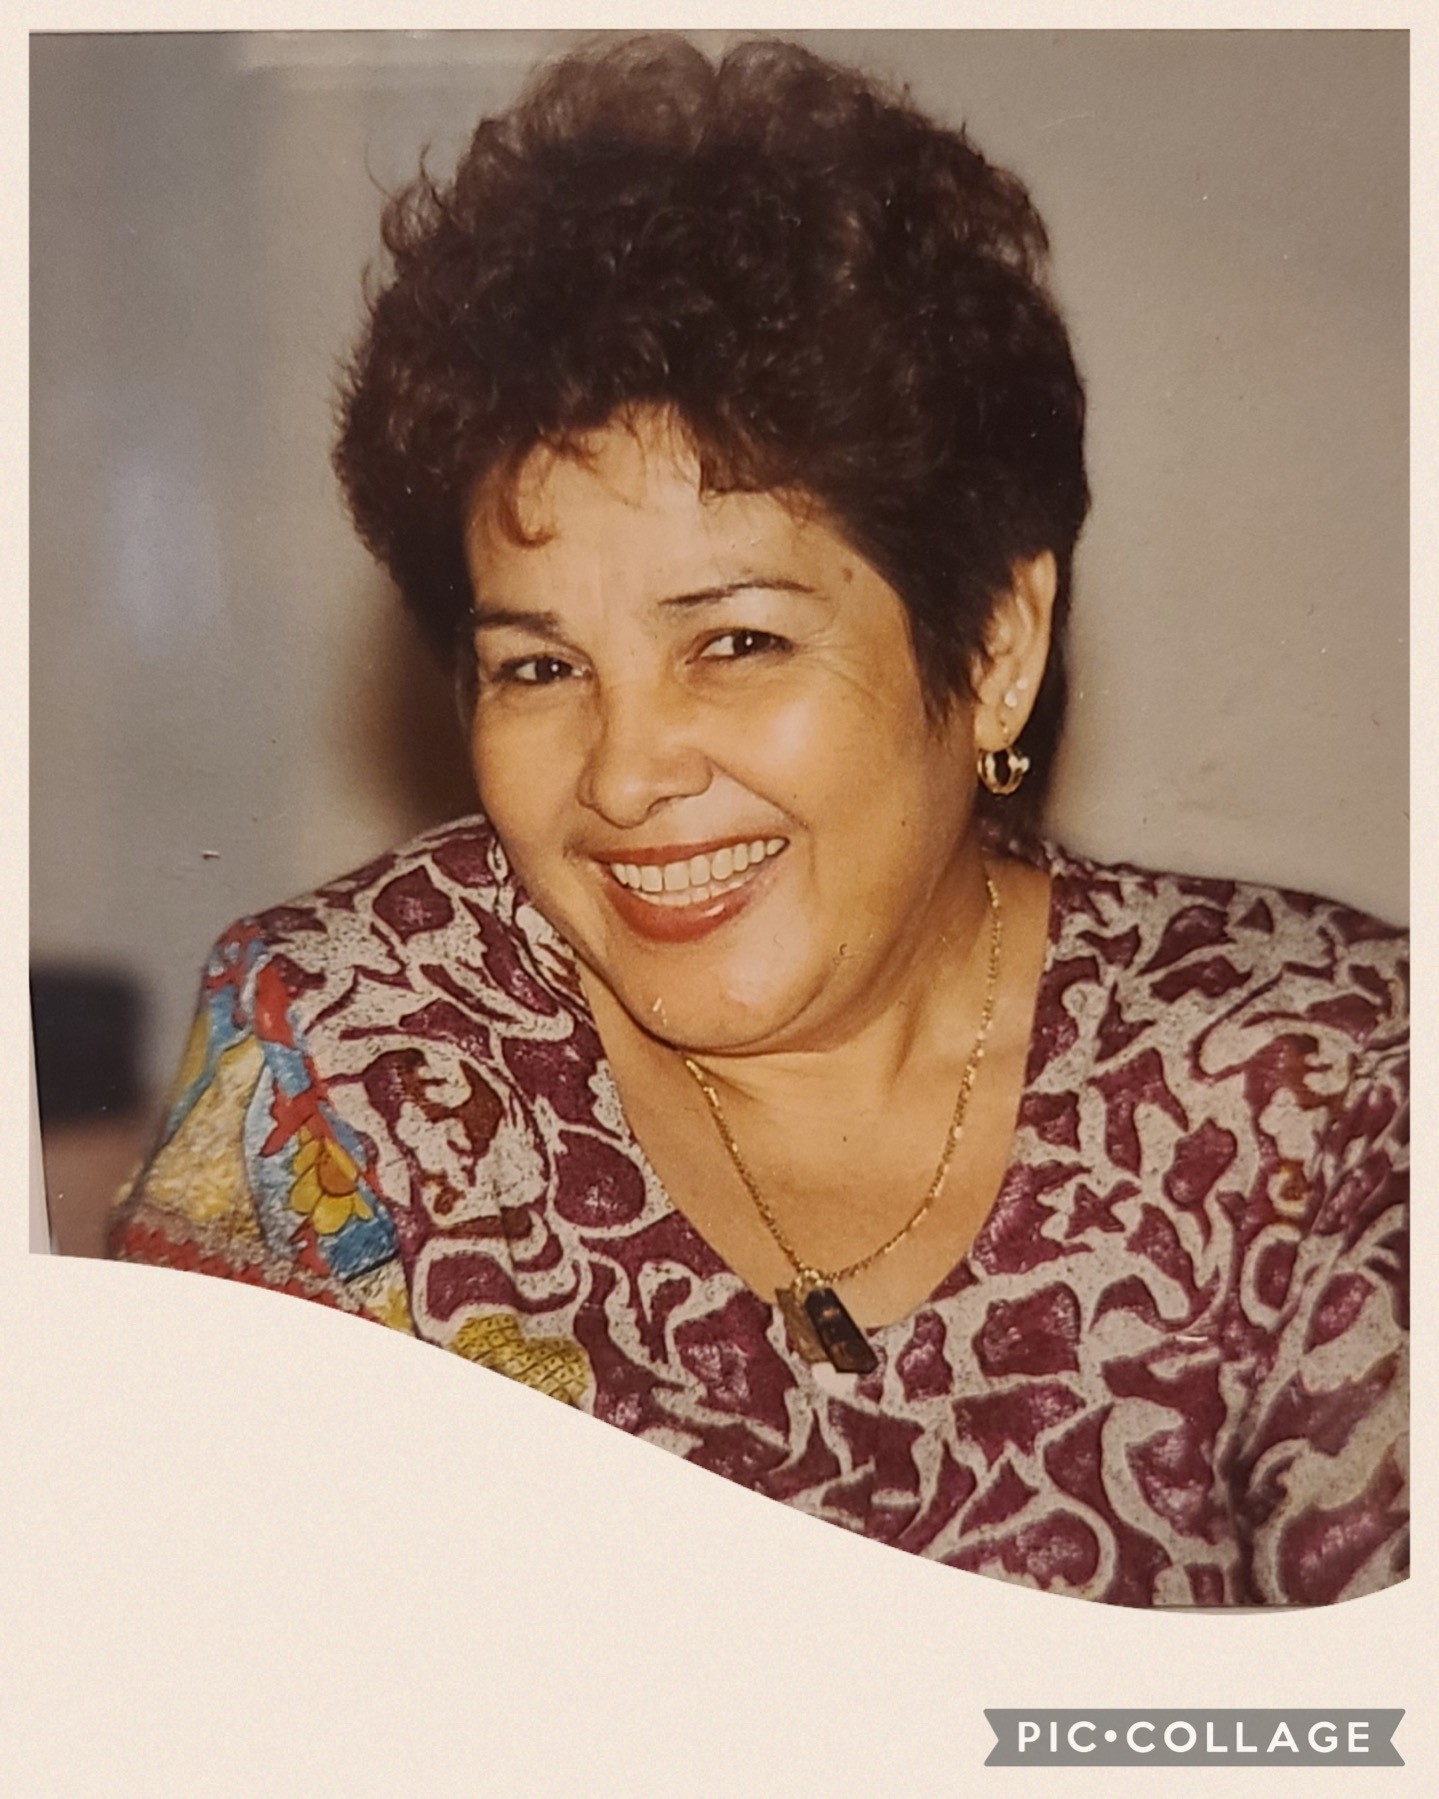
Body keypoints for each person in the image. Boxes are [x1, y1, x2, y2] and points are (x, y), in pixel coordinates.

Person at [108, 35, 1408, 1607]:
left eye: (735, 641)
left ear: (996, 648)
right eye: (539, 667)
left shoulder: (1322, 1087)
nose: (624, 775)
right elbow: (195, 1662)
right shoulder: (349, 1059)